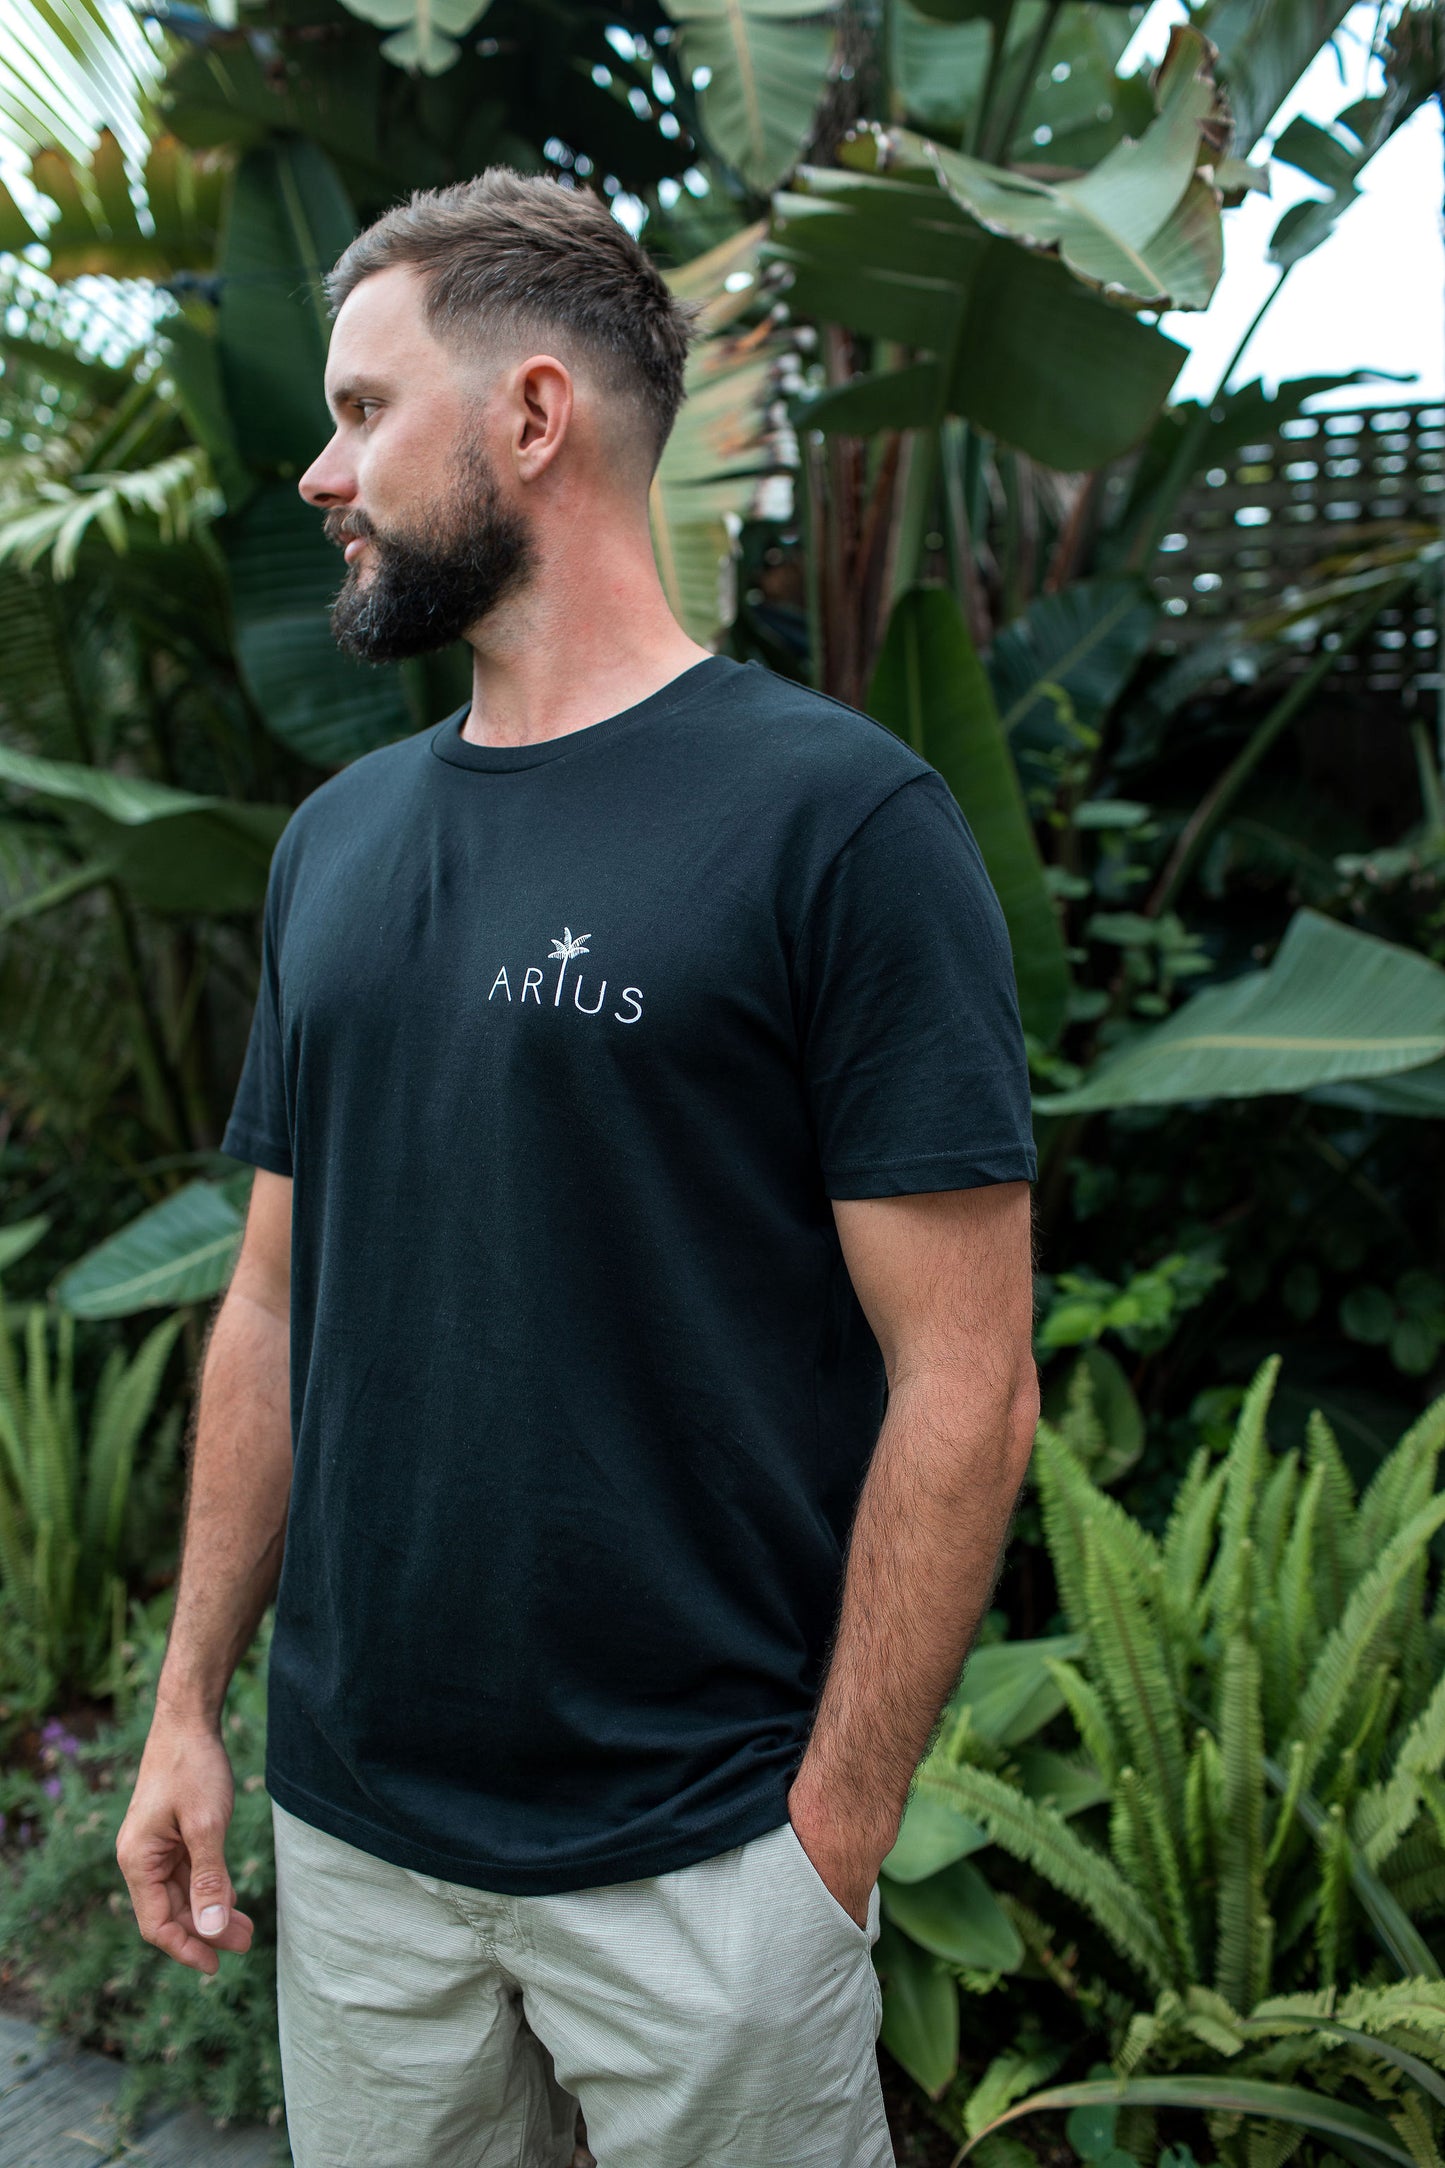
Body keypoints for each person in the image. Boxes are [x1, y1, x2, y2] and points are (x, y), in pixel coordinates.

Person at [116, 167, 1039, 2168]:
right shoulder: (334, 846)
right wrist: (195, 1698)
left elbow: (967, 1376)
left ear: (534, 418)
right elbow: (272, 1303)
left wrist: (833, 1837)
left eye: (364, 412)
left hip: (707, 1868)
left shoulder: (837, 825)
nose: (318, 471)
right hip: (363, 1858)